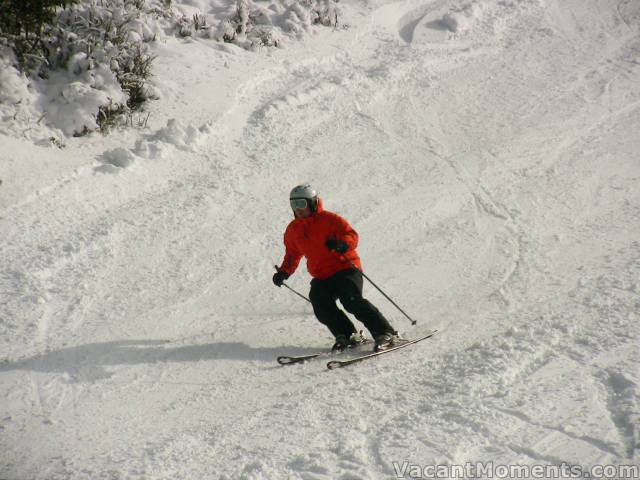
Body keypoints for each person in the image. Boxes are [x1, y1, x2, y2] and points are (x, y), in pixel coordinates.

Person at [273, 184, 399, 352]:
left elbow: (351, 235)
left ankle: (384, 333)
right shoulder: (293, 230)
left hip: (345, 268)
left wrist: (342, 244)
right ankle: (347, 335)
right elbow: (292, 254)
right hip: (322, 275)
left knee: (351, 300)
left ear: (312, 203)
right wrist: (284, 271)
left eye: (301, 204)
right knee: (320, 302)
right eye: (294, 205)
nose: (298, 209)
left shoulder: (330, 220)